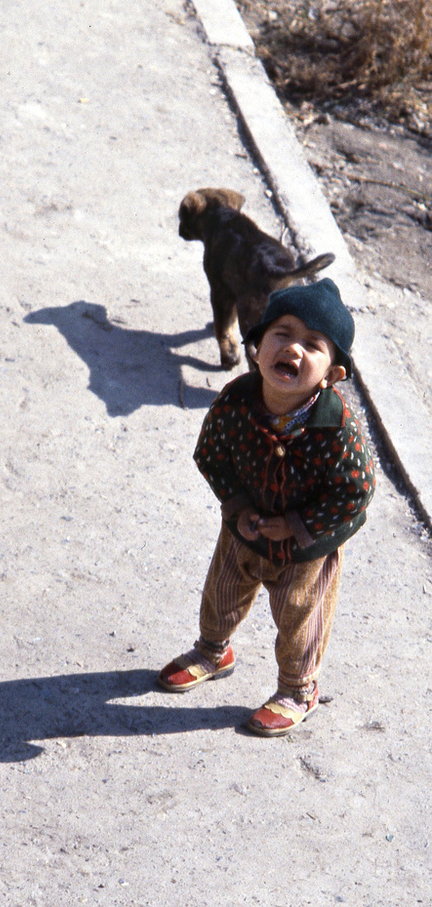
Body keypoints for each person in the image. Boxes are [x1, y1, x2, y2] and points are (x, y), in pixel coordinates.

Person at [158, 279, 376, 736]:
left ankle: (299, 689)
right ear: (256, 348)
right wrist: (236, 507)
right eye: (283, 333)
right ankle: (213, 650)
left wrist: (297, 524)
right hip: (246, 528)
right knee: (222, 589)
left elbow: (355, 494)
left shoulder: (337, 430)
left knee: (300, 616)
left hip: (305, 549)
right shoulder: (236, 401)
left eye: (313, 344)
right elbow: (211, 454)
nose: (294, 348)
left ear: (333, 374)